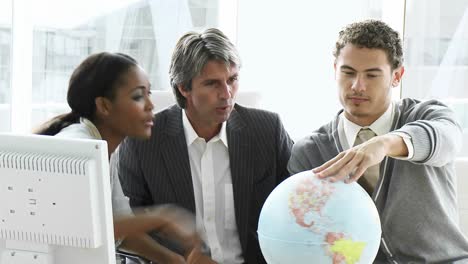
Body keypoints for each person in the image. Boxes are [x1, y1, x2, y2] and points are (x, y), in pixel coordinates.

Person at [287, 19, 468, 263]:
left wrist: (384, 144)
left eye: (371, 75)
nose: (357, 86)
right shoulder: (309, 151)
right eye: (348, 72)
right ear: (334, 69)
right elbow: (307, 236)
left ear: (397, 76)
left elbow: (444, 140)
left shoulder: (428, 115)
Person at [112, 28, 293, 263]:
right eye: (212, 84)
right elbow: (127, 228)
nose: (227, 94)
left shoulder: (267, 131)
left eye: (232, 79)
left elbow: (298, 202)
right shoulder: (142, 141)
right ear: (183, 88)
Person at [34, 52, 200, 264]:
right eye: (138, 96)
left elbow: (119, 228)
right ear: (104, 106)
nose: (151, 105)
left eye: (149, 94)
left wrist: (171, 259)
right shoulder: (77, 147)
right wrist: (161, 218)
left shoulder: (106, 150)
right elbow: (85, 226)